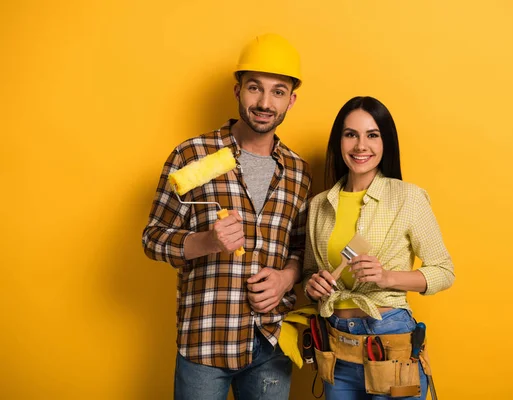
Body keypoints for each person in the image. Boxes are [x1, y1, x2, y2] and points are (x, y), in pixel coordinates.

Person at [142, 33, 312, 400]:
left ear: (291, 100)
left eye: (278, 91)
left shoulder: (299, 172)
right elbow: (152, 238)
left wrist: (286, 277)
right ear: (237, 91)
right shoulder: (192, 155)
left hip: (270, 343)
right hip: (205, 342)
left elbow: (301, 250)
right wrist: (206, 241)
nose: (265, 102)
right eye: (255, 88)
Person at [303, 96, 455, 399]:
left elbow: (444, 272)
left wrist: (387, 277)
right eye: (351, 135)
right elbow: (310, 271)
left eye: (372, 135)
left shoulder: (408, 198)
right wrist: (313, 284)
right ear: (339, 141)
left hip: (391, 343)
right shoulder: (319, 205)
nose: (361, 146)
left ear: (386, 142)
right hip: (337, 345)